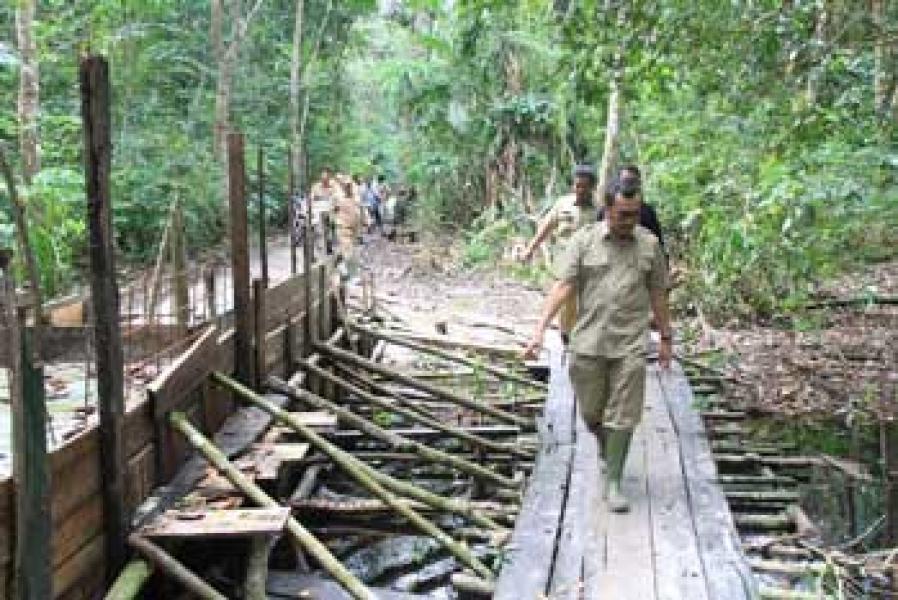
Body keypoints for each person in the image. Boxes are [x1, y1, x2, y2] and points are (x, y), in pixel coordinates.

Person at [523, 179, 673, 514]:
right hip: (588, 341)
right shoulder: (584, 241)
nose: (629, 221)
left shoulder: (649, 247)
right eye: (622, 215)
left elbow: (659, 295)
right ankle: (607, 448)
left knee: (623, 414)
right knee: (593, 414)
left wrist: (665, 338)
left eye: (634, 215)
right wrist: (539, 330)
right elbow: (564, 286)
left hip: (630, 343)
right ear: (607, 209)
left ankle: (614, 481)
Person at [521, 164, 600, 343]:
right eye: (576, 185)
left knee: (589, 300)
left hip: (591, 262)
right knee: (567, 300)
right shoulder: (563, 204)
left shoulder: (600, 210)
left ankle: (585, 335)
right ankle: (566, 335)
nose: (579, 189)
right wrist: (530, 249)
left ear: (592, 188)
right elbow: (546, 227)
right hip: (565, 260)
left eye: (584, 186)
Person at [598, 165, 664, 249]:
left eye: (633, 181)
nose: (629, 221)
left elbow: (658, 241)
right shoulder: (604, 211)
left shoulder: (648, 212)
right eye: (623, 215)